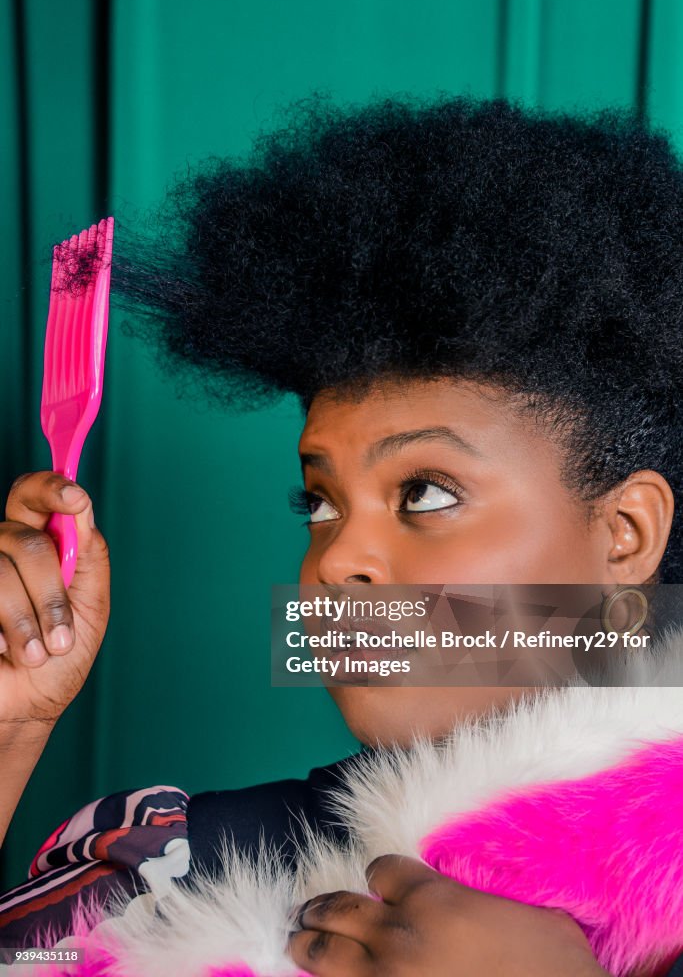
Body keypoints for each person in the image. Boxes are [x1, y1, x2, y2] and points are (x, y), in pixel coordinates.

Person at [1, 94, 683, 976]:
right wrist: (11, 729)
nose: (337, 564)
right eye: (318, 504)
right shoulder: (167, 871)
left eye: (426, 492)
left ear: (624, 536)